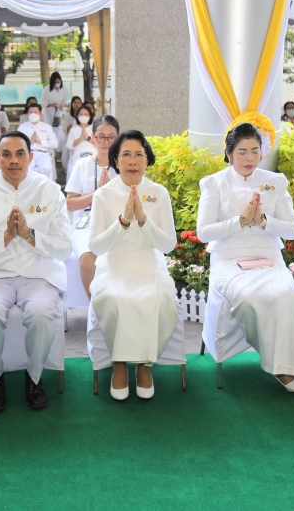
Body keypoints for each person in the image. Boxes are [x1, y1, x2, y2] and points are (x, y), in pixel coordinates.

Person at [198, 123, 294, 392]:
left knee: (290, 294)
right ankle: (280, 366)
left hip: (268, 256)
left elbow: (291, 230)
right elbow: (203, 232)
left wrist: (263, 221)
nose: (249, 158)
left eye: (255, 151)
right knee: (249, 297)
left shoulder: (275, 181)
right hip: (228, 258)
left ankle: (284, 365)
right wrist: (241, 221)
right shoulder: (213, 183)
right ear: (228, 154)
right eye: (242, 152)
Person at [0, 131, 72, 412]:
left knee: (41, 312)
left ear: (31, 157)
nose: (14, 161)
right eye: (7, 155)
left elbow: (64, 249)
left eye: (20, 154)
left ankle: (34, 377)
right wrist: (7, 237)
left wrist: (29, 234)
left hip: (38, 273)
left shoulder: (49, 190)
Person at [88, 130, 178, 401]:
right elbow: (96, 246)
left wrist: (143, 219)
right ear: (116, 159)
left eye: (139, 154)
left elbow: (168, 245)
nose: (132, 160)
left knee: (160, 297)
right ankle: (118, 364)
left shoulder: (158, 193)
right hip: (113, 268)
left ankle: (144, 365)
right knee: (117, 298)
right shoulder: (103, 195)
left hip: (150, 267)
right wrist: (123, 221)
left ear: (147, 160)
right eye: (125, 154)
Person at [65, 115, 120, 298]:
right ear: (93, 137)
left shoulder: (124, 167)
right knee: (88, 257)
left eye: (112, 136)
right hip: (86, 222)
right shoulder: (82, 165)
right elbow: (70, 204)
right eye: (101, 136)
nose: (106, 142)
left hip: (117, 221)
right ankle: (97, 309)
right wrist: (98, 193)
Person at [17, 103, 58, 180]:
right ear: (27, 114)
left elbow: (55, 143)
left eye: (36, 112)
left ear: (40, 114)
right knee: (26, 170)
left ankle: (44, 190)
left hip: (43, 154)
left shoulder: (47, 127)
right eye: (31, 112)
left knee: (47, 168)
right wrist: (29, 142)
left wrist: (41, 142)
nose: (33, 114)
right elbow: (17, 144)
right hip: (27, 154)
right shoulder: (22, 127)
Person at [64, 104, 97, 182]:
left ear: (90, 116)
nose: (83, 116)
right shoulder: (74, 129)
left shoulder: (95, 128)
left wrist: (87, 138)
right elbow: (69, 145)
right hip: (78, 152)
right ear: (77, 116)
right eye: (81, 114)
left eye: (86, 114)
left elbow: (99, 143)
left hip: (93, 151)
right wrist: (81, 138)